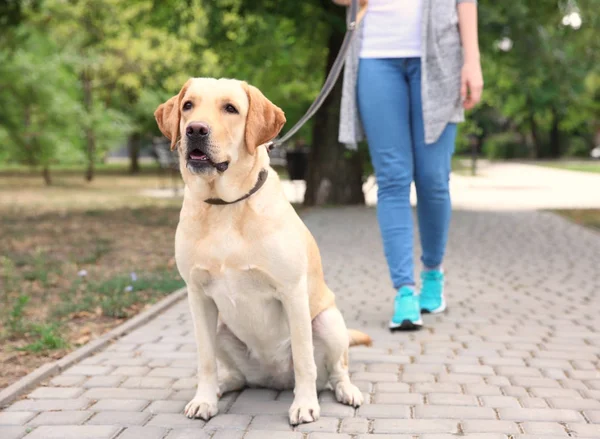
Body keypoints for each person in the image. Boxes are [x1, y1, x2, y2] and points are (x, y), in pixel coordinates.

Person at [333, 0, 483, 330]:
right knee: (392, 179)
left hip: (440, 55)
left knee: (432, 179)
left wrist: (472, 60)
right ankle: (404, 290)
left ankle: (433, 273)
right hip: (375, 56)